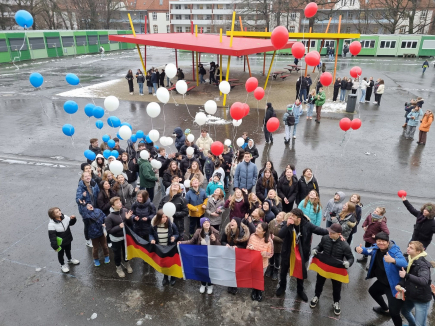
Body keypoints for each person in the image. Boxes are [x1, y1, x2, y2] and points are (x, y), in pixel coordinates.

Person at [355, 232, 407, 326]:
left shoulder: (394, 251)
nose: (381, 243)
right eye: (379, 241)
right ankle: (385, 309)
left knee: (394, 313)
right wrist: (358, 249)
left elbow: (404, 263)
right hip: (383, 281)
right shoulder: (376, 248)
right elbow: (367, 250)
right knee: (373, 291)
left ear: (388, 242)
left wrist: (393, 260)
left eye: (383, 241)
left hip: (393, 285)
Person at [276, 208, 329, 301]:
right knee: (283, 271)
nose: (290, 217)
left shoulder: (307, 225)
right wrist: (287, 224)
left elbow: (320, 230)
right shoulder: (287, 223)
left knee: (300, 272)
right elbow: (280, 234)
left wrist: (334, 232)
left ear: (299, 219)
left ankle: (300, 290)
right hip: (288, 252)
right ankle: (282, 287)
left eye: (293, 216)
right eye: (291, 215)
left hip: (301, 253)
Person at [310, 223, 354, 316]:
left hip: (336, 270)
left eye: (332, 233)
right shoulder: (325, 238)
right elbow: (319, 247)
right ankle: (316, 296)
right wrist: (315, 249)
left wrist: (348, 263)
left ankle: (336, 302)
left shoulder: (345, 245)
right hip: (324, 267)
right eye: (330, 231)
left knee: (337, 287)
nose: (330, 234)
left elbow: (351, 258)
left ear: (339, 234)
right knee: (319, 283)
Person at [180, 217, 220, 294]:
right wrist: (181, 243)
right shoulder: (198, 232)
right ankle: (203, 284)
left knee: (210, 271)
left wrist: (215, 240)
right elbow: (191, 241)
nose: (207, 223)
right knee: (202, 270)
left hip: (211, 256)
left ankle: (210, 285)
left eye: (208, 222)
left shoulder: (215, 232)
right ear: (202, 225)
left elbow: (219, 246)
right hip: (201, 256)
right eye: (204, 223)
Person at [397, 241, 432, 326]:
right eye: (408, 246)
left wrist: (406, 275)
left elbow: (424, 281)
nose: (408, 249)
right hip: (411, 294)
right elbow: (403, 275)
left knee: (420, 324)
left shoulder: (423, 265)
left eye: (411, 248)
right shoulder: (409, 258)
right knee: (404, 311)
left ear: (418, 251)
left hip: (421, 298)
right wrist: (400, 284)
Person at [221, 217, 252, 295]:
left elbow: (245, 246)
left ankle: (234, 286)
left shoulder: (242, 234)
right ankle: (230, 285)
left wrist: (238, 247)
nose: (232, 222)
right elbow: (222, 241)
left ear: (237, 224)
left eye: (234, 221)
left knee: (236, 270)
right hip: (229, 253)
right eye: (231, 220)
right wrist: (226, 244)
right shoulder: (227, 231)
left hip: (238, 255)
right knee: (229, 269)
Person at [105, 197, 134, 278]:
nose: (120, 203)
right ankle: (118, 267)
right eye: (117, 203)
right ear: (112, 206)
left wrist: (128, 218)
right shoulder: (109, 217)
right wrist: (119, 227)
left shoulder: (125, 210)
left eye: (120, 202)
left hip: (125, 237)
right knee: (117, 254)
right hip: (116, 239)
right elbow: (109, 231)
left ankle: (127, 264)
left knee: (126, 252)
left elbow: (130, 223)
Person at [149, 210, 179, 286]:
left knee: (171, 262)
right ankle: (165, 277)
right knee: (164, 263)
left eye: (166, 217)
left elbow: (177, 233)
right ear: (158, 218)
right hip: (160, 248)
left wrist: (174, 237)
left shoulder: (171, 224)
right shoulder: (154, 225)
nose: (165, 219)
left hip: (170, 247)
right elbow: (150, 234)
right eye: (163, 217)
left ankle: (173, 277)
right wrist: (151, 239)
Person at [47, 207, 80, 273]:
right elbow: (52, 237)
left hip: (68, 238)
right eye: (57, 212)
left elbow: (70, 223)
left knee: (68, 250)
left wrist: (73, 219)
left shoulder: (64, 217)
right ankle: (62, 265)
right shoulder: (51, 224)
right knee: (60, 253)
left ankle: (70, 259)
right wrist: (55, 246)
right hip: (60, 243)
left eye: (59, 210)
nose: (59, 212)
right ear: (53, 215)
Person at [247, 222, 273, 302]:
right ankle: (254, 291)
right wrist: (249, 247)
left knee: (260, 278)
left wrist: (266, 254)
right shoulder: (252, 236)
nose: (256, 229)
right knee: (254, 277)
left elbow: (271, 254)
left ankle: (259, 291)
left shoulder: (269, 241)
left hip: (262, 264)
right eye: (257, 227)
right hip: (253, 262)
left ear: (264, 231)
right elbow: (247, 246)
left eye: (259, 228)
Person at [76, 171, 100, 248]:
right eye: (85, 176)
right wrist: (83, 196)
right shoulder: (81, 187)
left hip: (94, 208)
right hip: (85, 210)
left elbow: (98, 193)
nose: (87, 177)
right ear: (82, 178)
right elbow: (77, 200)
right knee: (87, 225)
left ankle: (96, 238)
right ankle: (88, 240)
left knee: (95, 223)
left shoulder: (94, 184)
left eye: (88, 175)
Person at [267, 212, 285, 280]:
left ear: (283, 219)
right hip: (270, 245)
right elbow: (268, 229)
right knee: (271, 257)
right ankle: (271, 268)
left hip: (278, 247)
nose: (278, 215)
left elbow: (283, 239)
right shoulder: (272, 222)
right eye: (278, 214)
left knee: (277, 258)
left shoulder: (283, 226)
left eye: (280, 215)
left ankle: (276, 270)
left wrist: (274, 237)